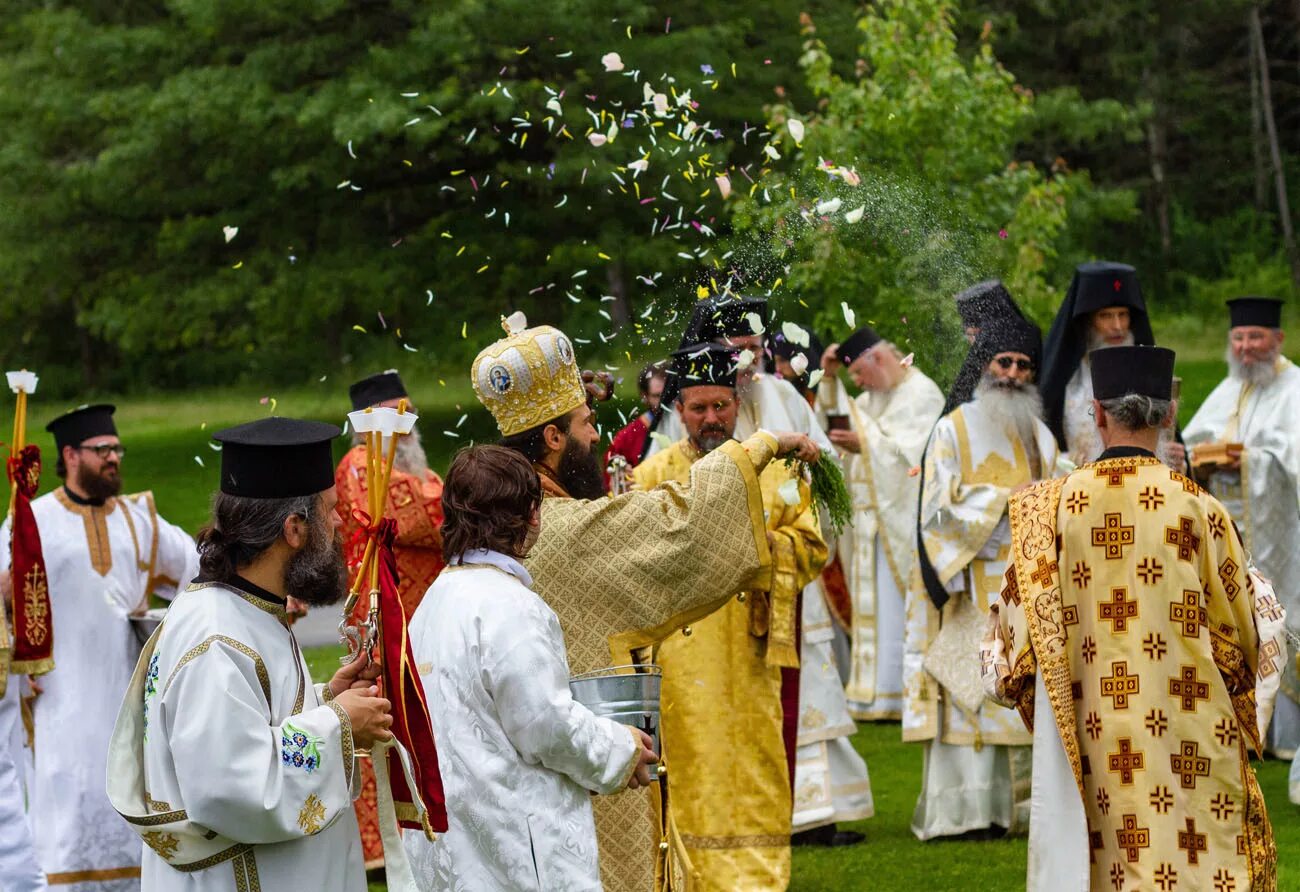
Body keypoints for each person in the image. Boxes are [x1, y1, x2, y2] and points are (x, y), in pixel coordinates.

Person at [451, 311, 820, 892]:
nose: (596, 436)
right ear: (553, 438)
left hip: (492, 806)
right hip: (579, 774)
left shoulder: (473, 553)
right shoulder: (567, 530)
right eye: (585, 422)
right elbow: (685, 527)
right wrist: (766, 444)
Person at [984, 346, 1284, 892]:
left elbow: (1009, 643)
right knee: (1188, 857)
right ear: (1169, 413)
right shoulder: (1198, 508)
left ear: (1096, 414)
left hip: (1086, 720)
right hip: (1185, 726)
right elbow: (1245, 634)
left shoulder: (1049, 508)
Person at [106, 416, 395, 891]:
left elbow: (246, 724)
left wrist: (326, 700)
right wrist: (339, 724)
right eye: (331, 510)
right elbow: (229, 786)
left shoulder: (245, 610)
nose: (342, 523)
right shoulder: (216, 639)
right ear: (295, 529)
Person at [633, 344, 841, 887]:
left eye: (720, 407)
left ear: (737, 405)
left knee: (755, 761)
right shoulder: (653, 475)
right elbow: (635, 558)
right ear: (679, 410)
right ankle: (687, 875)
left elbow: (812, 545)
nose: (710, 419)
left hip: (752, 653)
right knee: (688, 763)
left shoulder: (776, 470)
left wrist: (752, 549)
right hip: (679, 658)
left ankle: (758, 877)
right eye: (698, 408)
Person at [405, 444, 658, 889]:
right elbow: (545, 724)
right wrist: (622, 748)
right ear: (533, 515)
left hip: (457, 837)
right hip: (514, 842)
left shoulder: (431, 602)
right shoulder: (511, 606)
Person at [0, 404, 198, 891]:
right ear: (70, 455)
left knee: (131, 797)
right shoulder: (31, 521)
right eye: (102, 449)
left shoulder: (138, 519)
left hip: (125, 695)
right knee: (67, 805)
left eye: (116, 448)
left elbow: (198, 569)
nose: (114, 457)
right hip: (58, 698)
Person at [904, 313, 1057, 840]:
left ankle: (1016, 815)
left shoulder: (1039, 433)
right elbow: (934, 512)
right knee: (969, 693)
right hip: (971, 584)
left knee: (1017, 698)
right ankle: (968, 815)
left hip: (1027, 588)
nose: (1014, 373)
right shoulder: (952, 428)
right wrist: (1001, 502)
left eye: (1023, 365)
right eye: (1004, 362)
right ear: (985, 366)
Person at [334, 369, 445, 868]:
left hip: (424, 615)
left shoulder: (414, 472)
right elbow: (423, 517)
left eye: (409, 412)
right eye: (395, 416)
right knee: (384, 719)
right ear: (367, 426)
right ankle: (381, 842)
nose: (407, 424)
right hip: (385, 617)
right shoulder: (360, 467)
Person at [1184, 296, 1300, 760]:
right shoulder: (1229, 387)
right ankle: (1243, 724)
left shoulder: (1295, 388)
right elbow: (1192, 443)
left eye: (1255, 337)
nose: (1247, 347)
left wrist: (1247, 460)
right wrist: (1202, 459)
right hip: (1231, 534)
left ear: (1277, 340)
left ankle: (1284, 732)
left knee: (1281, 612)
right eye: (1239, 338)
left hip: (1282, 534)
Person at [818, 326, 944, 720]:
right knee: (873, 610)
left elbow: (913, 454)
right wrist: (829, 377)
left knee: (898, 608)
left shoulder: (922, 392)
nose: (857, 383)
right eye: (852, 377)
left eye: (858, 374)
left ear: (879, 359)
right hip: (870, 522)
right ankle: (871, 692)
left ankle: (901, 692)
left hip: (903, 521)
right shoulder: (876, 397)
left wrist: (864, 445)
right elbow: (842, 423)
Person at [649, 295, 834, 456]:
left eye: (754, 348)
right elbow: (659, 472)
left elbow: (825, 452)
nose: (747, 359)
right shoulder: (688, 406)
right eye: (737, 350)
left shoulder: (783, 392)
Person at [1039, 261, 1165, 468]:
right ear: (1087, 321)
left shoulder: (1148, 374)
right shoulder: (1064, 379)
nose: (1117, 326)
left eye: (1123, 315)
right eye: (1105, 316)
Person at [603, 361, 667, 487]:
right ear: (645, 396)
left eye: (669, 394)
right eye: (657, 396)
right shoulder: (626, 438)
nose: (665, 401)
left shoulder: (691, 425)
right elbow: (611, 484)